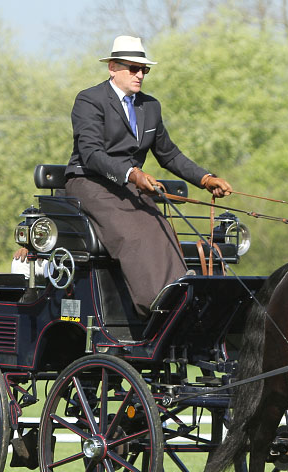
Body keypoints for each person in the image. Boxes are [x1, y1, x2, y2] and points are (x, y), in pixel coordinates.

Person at [64, 35, 232, 317]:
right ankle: (154, 304)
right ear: (113, 68)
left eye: (144, 69)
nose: (140, 75)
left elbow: (169, 155)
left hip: (129, 186)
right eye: (133, 68)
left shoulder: (150, 106)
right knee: (135, 232)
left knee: (162, 225)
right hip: (89, 181)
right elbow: (91, 153)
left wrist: (205, 179)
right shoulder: (90, 100)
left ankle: (179, 292)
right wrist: (131, 173)